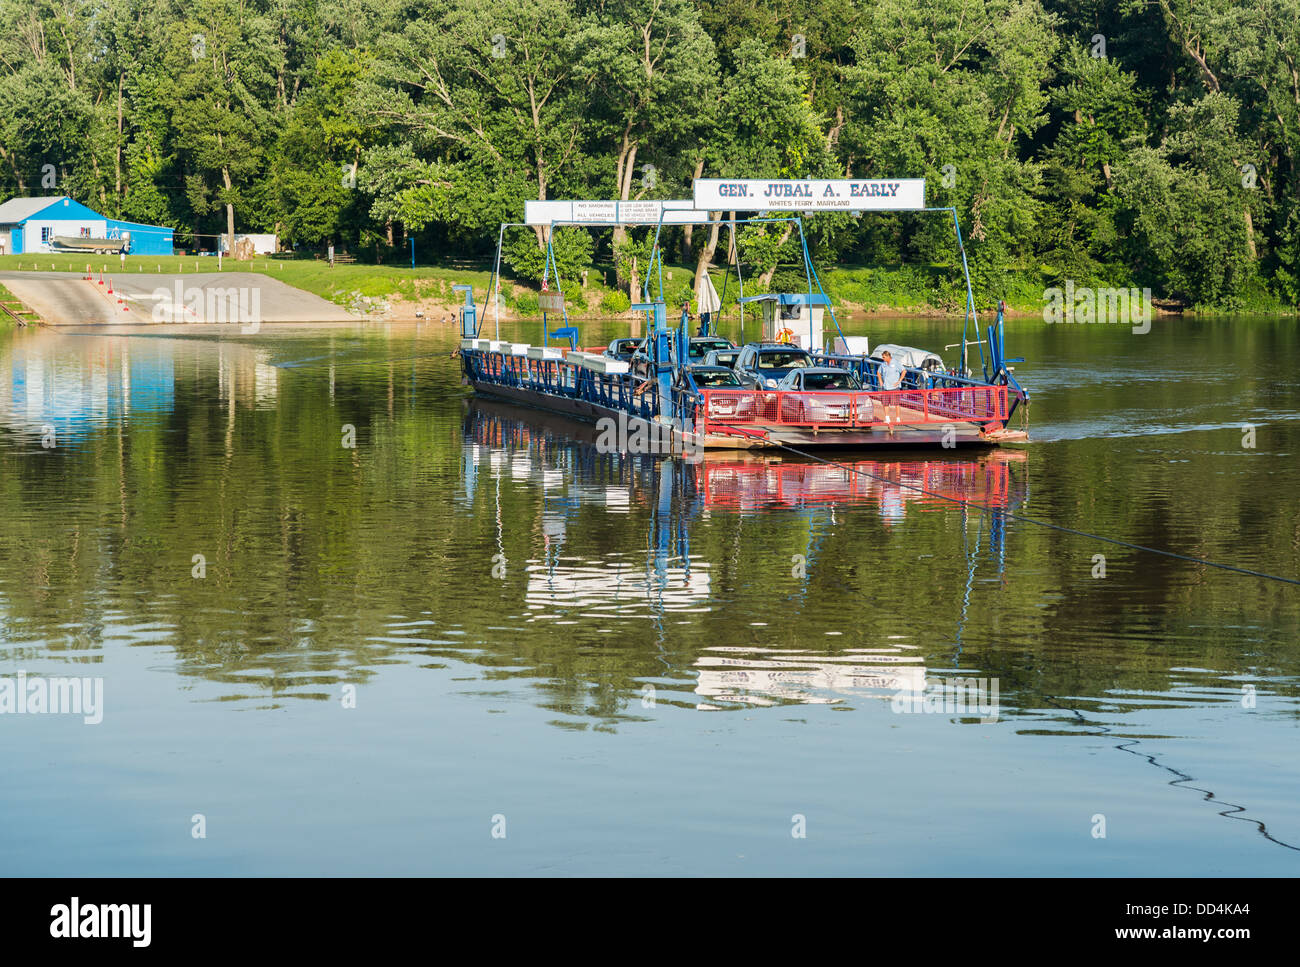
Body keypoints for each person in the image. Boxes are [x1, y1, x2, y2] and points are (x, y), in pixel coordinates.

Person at [877, 349, 904, 432]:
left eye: (884, 357)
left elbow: (904, 371)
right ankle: (887, 418)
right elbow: (878, 372)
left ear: (888, 356)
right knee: (885, 403)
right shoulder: (883, 364)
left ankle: (898, 418)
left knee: (896, 403)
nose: (883, 358)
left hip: (894, 387)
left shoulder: (895, 363)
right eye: (882, 357)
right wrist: (881, 381)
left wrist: (899, 381)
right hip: (886, 387)